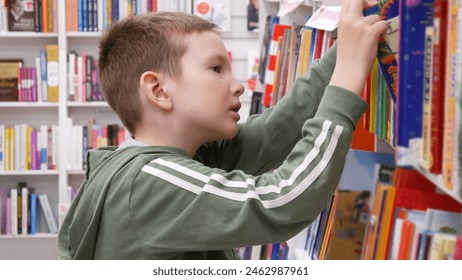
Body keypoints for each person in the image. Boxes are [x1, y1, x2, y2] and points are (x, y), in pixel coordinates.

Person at [58, 0, 388, 259]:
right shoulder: (152, 183)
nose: (238, 85)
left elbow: (273, 132)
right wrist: (347, 77)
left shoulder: (191, 153)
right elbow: (282, 200)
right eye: (216, 68)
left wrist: (345, 49)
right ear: (159, 91)